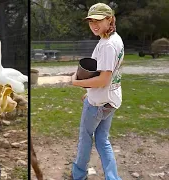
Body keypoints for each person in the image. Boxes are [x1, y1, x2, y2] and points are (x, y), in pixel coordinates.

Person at [70, 2, 124, 180]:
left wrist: (77, 82)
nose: (94, 24)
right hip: (111, 100)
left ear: (110, 20)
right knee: (102, 139)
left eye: (99, 20)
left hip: (98, 103)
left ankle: (78, 175)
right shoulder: (115, 39)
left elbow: (103, 79)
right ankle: (112, 177)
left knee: (85, 138)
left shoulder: (108, 45)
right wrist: (90, 91)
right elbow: (108, 76)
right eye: (91, 20)